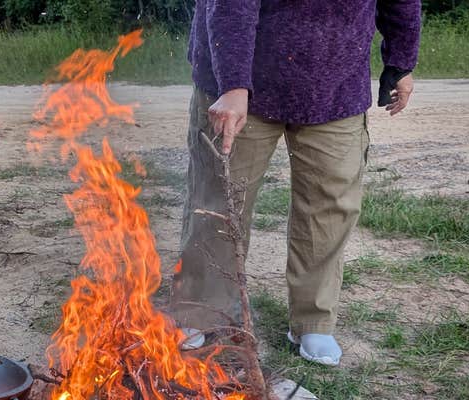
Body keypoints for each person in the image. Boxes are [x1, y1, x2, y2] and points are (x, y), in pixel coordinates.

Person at [170, 0, 421, 366]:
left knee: (330, 204)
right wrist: (234, 85)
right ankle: (199, 310)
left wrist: (401, 60)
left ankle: (313, 321)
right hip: (239, 84)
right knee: (220, 201)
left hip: (335, 82)